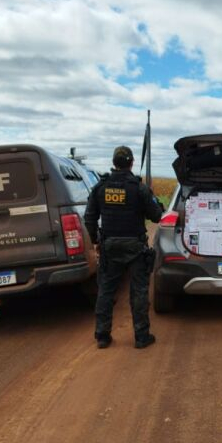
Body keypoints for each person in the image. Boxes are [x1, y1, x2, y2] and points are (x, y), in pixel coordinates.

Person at [84, 146, 164, 349]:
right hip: (135, 247)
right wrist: (153, 200)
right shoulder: (138, 187)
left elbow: (90, 217)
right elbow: (156, 216)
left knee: (106, 291)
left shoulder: (101, 187)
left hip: (109, 245)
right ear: (131, 163)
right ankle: (141, 337)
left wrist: (95, 241)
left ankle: (102, 336)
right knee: (138, 292)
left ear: (114, 162)